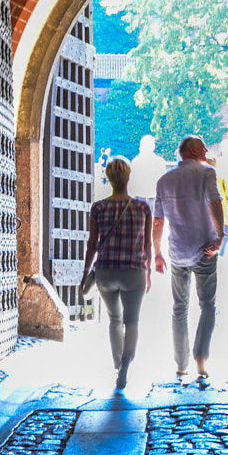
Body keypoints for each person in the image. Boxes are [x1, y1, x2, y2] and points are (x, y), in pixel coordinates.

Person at [153, 135, 226, 384]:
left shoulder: (164, 181)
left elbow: (159, 220)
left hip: (178, 251)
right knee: (207, 305)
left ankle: (181, 364)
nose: (207, 150)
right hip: (205, 247)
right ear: (194, 151)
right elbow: (216, 202)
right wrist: (221, 235)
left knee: (179, 308)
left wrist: (157, 252)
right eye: (204, 147)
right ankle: (201, 358)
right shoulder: (207, 172)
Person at [83, 156, 153, 390]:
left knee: (114, 320)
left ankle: (117, 365)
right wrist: (149, 271)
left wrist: (86, 273)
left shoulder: (99, 208)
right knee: (132, 321)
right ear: (128, 177)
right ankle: (125, 366)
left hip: (106, 271)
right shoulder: (143, 208)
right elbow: (147, 245)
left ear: (109, 179)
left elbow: (92, 244)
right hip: (134, 271)